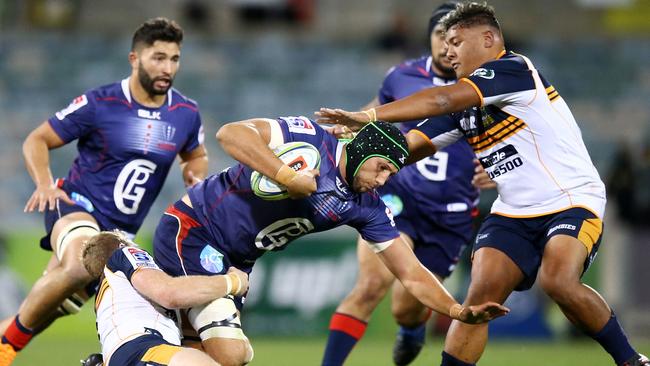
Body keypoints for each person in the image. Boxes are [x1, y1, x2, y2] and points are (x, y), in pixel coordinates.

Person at [317, 3, 649, 366]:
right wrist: (357, 158)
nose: (449, 50)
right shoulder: (464, 108)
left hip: (570, 199)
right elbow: (412, 144)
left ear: (488, 39)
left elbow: (442, 98)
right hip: (513, 211)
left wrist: (370, 115)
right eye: (446, 42)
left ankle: (630, 359)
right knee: (475, 303)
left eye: (457, 41)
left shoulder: (514, 70)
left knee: (558, 281)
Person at [151, 117, 508, 366]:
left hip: (238, 261)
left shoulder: (367, 208)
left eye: (391, 175)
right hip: (195, 229)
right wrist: (286, 175)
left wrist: (457, 311)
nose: (383, 181)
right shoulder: (310, 138)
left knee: (196, 348)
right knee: (227, 354)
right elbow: (231, 133)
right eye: (381, 168)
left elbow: (412, 273)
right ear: (365, 151)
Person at [0, 17, 208, 366]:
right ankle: (6, 349)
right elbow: (38, 139)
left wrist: (194, 174)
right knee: (82, 263)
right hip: (77, 206)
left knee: (47, 309)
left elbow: (197, 156)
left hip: (121, 233)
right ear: (134, 59)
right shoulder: (101, 102)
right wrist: (43, 183)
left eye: (174, 59)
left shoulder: (185, 113)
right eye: (158, 57)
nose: (167, 67)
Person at [321, 2, 480, 366]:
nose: (447, 44)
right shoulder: (401, 76)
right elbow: (376, 110)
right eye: (441, 34)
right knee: (370, 286)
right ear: (430, 36)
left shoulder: (484, 86)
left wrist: (495, 168)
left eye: (456, 37)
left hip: (451, 212)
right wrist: (347, 126)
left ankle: (411, 328)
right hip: (398, 196)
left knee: (407, 307)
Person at [80, 231, 249, 366]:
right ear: (121, 243)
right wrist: (233, 282)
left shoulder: (113, 300)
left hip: (135, 354)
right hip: (142, 349)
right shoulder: (125, 254)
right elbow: (168, 293)